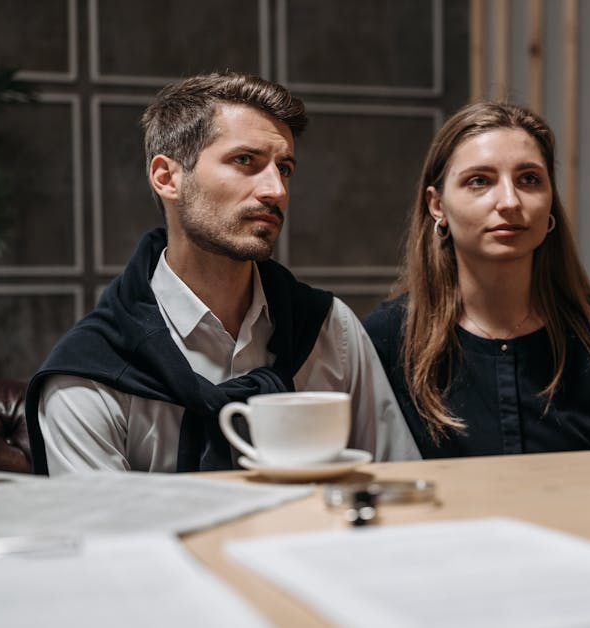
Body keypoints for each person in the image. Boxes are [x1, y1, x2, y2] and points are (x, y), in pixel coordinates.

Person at [25, 72, 420, 474]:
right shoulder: (89, 373)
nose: (276, 190)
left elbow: (398, 486)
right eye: (245, 160)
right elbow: (107, 536)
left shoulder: (329, 331)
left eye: (284, 168)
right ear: (168, 178)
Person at [363, 101, 590, 458]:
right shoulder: (390, 335)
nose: (510, 201)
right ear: (437, 205)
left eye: (529, 179)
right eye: (479, 181)